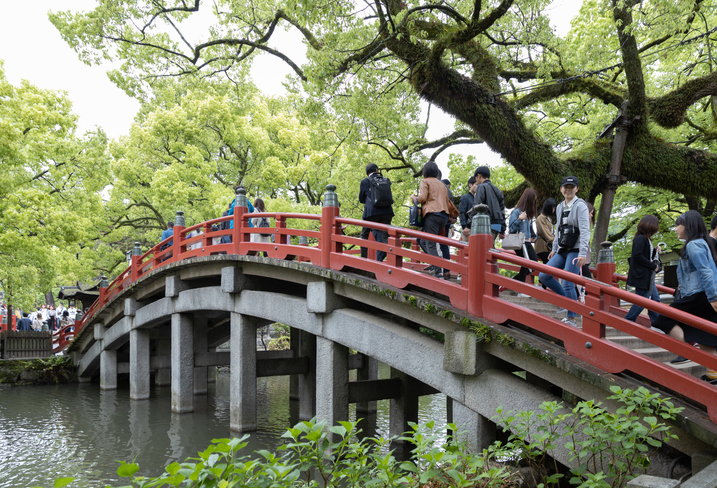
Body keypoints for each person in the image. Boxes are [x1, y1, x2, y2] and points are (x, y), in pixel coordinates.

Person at [652, 211, 717, 384]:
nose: (675, 229)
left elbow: (705, 271)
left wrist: (713, 297)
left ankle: (688, 348)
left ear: (687, 226)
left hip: (699, 295)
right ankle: (714, 374)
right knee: (704, 335)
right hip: (704, 295)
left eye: (677, 225)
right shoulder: (703, 243)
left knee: (663, 319)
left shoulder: (693, 245)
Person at [538, 176, 590, 328]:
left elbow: (585, 231)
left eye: (571, 187)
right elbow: (559, 230)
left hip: (575, 250)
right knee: (544, 275)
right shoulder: (560, 206)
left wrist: (582, 253)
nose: (568, 189)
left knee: (568, 282)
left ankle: (572, 317)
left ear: (577, 189)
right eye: (565, 187)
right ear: (561, 189)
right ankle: (567, 302)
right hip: (562, 249)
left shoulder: (580, 206)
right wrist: (554, 249)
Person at [411, 161, 452, 278]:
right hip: (444, 216)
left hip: (432, 214)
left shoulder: (425, 181)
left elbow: (423, 198)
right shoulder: (442, 185)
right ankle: (437, 265)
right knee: (424, 241)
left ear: (425, 172)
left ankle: (437, 270)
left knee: (430, 243)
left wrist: (414, 198)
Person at [624, 215, 662, 324]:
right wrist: (653, 266)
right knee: (643, 300)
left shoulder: (645, 239)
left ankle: (657, 324)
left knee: (654, 300)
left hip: (646, 276)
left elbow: (645, 255)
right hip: (642, 276)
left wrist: (655, 251)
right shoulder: (641, 238)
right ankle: (628, 320)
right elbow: (637, 256)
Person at [358, 163, 394, 262]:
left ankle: (363, 259)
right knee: (386, 236)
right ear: (377, 170)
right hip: (387, 212)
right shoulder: (385, 180)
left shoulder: (365, 181)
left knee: (364, 234)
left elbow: (361, 199)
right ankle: (392, 259)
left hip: (371, 213)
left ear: (367, 174)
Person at [467, 165, 505, 246]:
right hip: (497, 225)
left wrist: (468, 225)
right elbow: (502, 210)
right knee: (490, 248)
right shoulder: (497, 190)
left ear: (479, 176)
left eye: (476, 179)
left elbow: (477, 206)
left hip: (486, 224)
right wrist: (503, 229)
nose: (476, 181)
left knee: (484, 250)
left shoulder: (481, 186)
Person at [507, 188, 539, 284]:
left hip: (527, 242)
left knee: (532, 265)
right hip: (519, 242)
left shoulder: (528, 214)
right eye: (533, 200)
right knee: (528, 264)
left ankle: (512, 283)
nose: (534, 202)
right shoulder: (516, 212)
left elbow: (530, 229)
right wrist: (519, 219)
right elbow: (511, 228)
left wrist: (534, 237)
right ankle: (517, 288)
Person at [535, 198, 557, 264]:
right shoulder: (540, 218)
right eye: (553, 207)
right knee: (551, 266)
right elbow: (547, 235)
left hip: (548, 248)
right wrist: (557, 243)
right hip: (543, 249)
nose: (554, 210)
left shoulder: (548, 218)